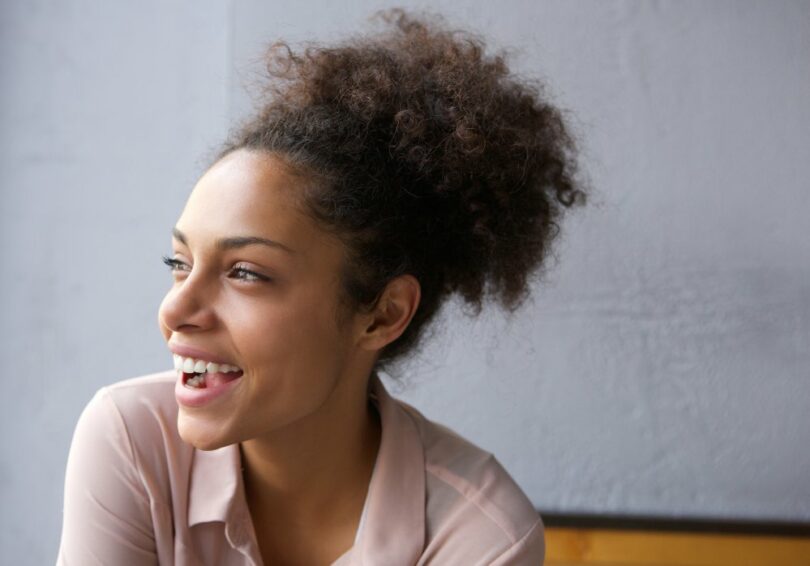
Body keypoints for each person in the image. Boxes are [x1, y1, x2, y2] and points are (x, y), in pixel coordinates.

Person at [57, 9, 584, 565]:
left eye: (245, 273)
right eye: (180, 262)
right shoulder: (132, 438)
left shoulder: (478, 538)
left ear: (381, 314)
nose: (176, 309)